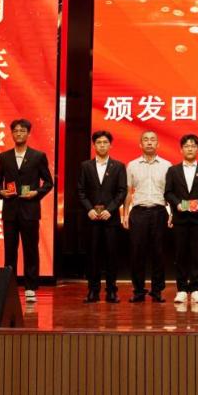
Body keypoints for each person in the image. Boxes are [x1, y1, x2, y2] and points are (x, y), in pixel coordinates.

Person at [0, 118, 54, 303]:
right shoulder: (4, 157)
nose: (19, 133)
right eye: (16, 131)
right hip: (10, 210)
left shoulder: (38, 156)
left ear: (28, 133)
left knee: (30, 249)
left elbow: (49, 182)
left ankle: (30, 287)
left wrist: (36, 193)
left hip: (30, 210)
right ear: (12, 134)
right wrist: (1, 192)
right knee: (10, 250)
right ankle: (9, 287)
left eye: (22, 131)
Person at [164, 134, 198, 304]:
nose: (190, 149)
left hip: (197, 218)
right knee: (180, 255)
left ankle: (195, 289)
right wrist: (177, 204)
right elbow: (168, 193)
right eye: (186, 146)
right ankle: (181, 289)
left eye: (193, 146)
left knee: (196, 255)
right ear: (181, 149)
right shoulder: (173, 170)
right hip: (180, 218)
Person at [77, 131, 128, 304]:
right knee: (92, 255)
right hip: (91, 219)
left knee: (111, 255)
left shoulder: (118, 166)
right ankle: (93, 291)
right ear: (94, 145)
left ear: (110, 145)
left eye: (105, 142)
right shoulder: (85, 166)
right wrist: (89, 209)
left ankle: (112, 291)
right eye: (98, 142)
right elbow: (81, 191)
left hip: (110, 219)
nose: (102, 145)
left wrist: (111, 210)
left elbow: (122, 191)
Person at [123, 130, 172, 303]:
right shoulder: (132, 165)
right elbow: (128, 192)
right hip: (139, 212)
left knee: (159, 252)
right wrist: (125, 214)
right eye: (146, 140)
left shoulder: (167, 165)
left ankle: (157, 290)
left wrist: (172, 213)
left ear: (157, 144)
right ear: (140, 144)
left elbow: (170, 192)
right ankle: (138, 290)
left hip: (159, 211)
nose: (149, 142)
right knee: (137, 252)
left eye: (152, 140)